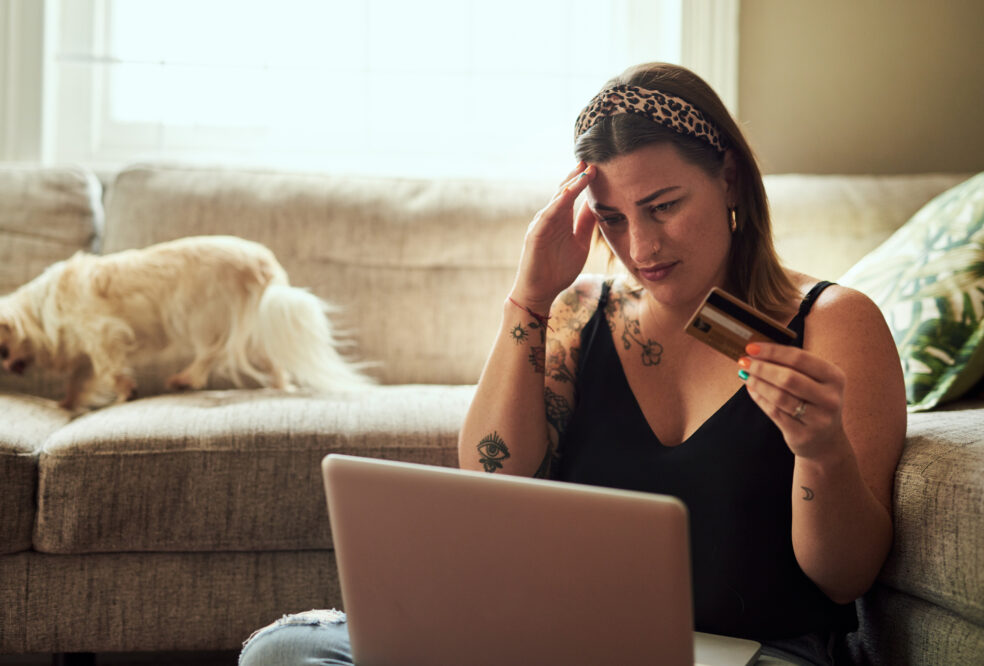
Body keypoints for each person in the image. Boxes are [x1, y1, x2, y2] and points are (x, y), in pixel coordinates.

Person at [239, 63, 906, 666]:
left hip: (762, 653)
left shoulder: (832, 321)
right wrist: (530, 298)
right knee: (284, 650)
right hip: (569, 645)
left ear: (728, 174)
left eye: (664, 206)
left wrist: (821, 452)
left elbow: (844, 579)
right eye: (612, 219)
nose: (641, 245)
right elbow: (495, 479)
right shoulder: (581, 313)